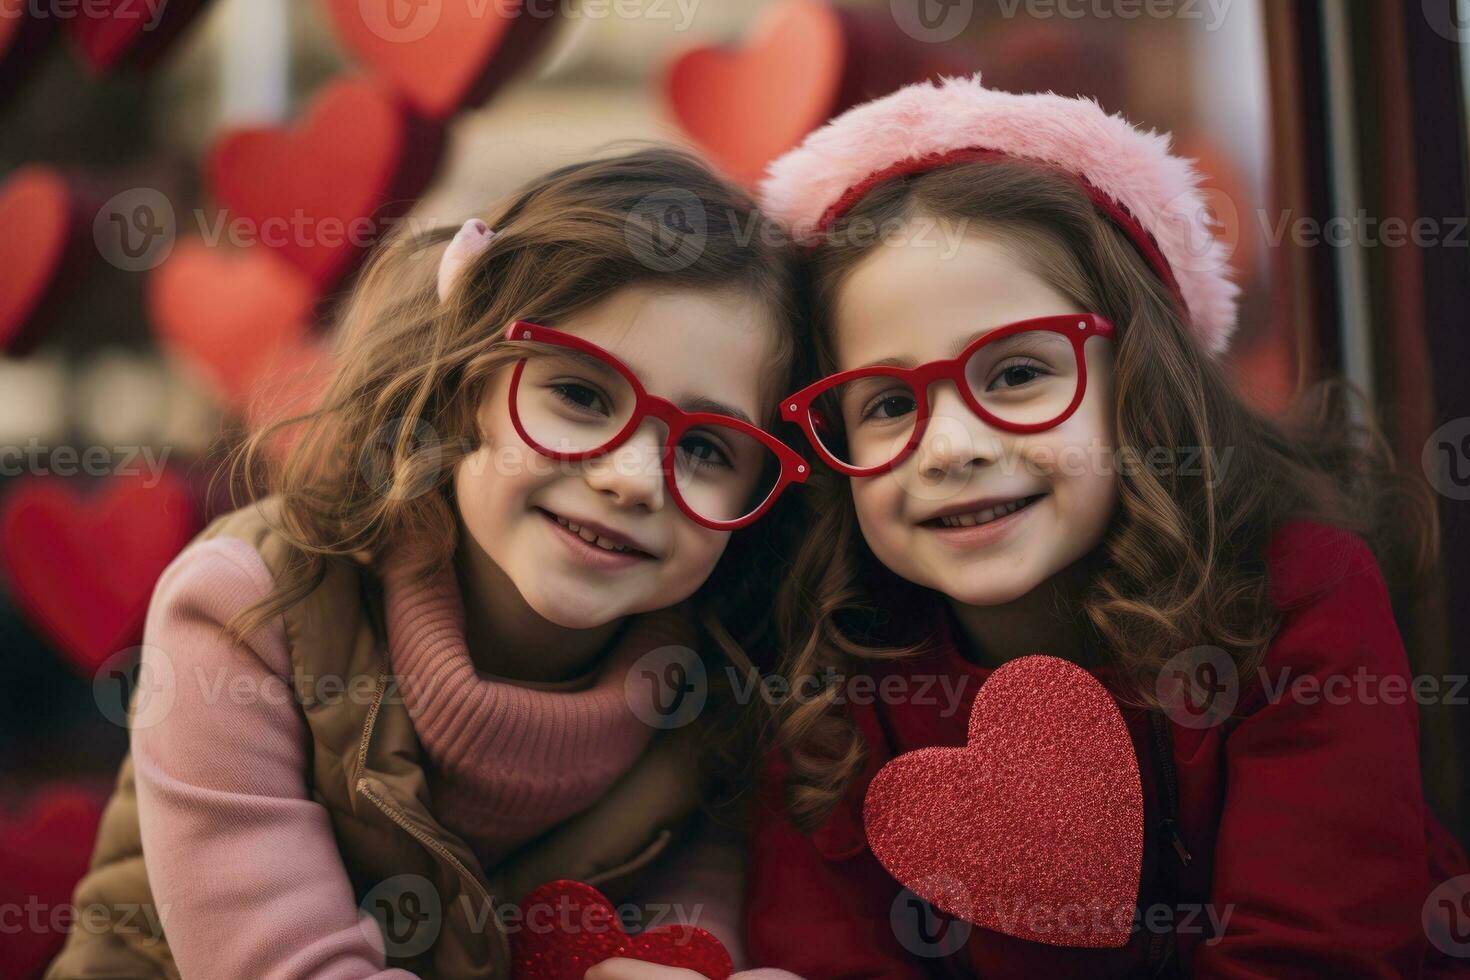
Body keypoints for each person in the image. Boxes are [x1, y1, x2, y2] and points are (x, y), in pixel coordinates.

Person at [745, 74, 1470, 978]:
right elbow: (823, 957)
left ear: (1141, 381)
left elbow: (1318, 950)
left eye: (1016, 376)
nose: (952, 447)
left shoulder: (1294, 594)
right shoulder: (836, 666)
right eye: (889, 402)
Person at [45, 147, 810, 979]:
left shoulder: (716, 689)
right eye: (582, 396)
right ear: (464, 383)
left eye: (705, 447)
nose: (629, 478)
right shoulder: (245, 608)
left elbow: (683, 938)